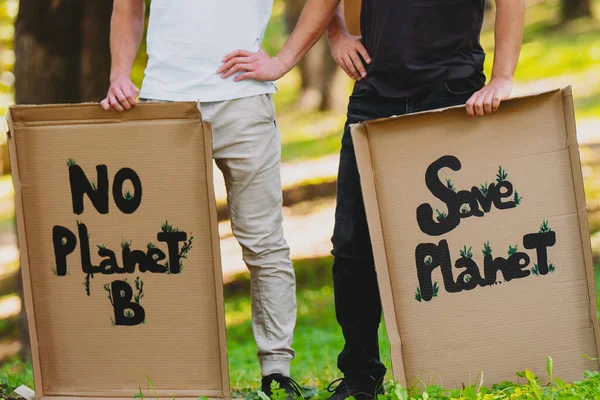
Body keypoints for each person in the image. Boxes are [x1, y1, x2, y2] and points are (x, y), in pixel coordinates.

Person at [218, 0, 525, 398]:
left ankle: (470, 361)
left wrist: (502, 76)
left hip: (453, 92)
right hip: (374, 95)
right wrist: (330, 37)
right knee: (352, 246)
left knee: (457, 243)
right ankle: (361, 375)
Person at [100, 1, 301, 397]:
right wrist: (119, 74)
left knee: (264, 243)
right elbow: (128, 7)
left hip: (244, 101)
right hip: (166, 101)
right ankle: (174, 370)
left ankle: (277, 372)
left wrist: (283, 60)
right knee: (160, 249)